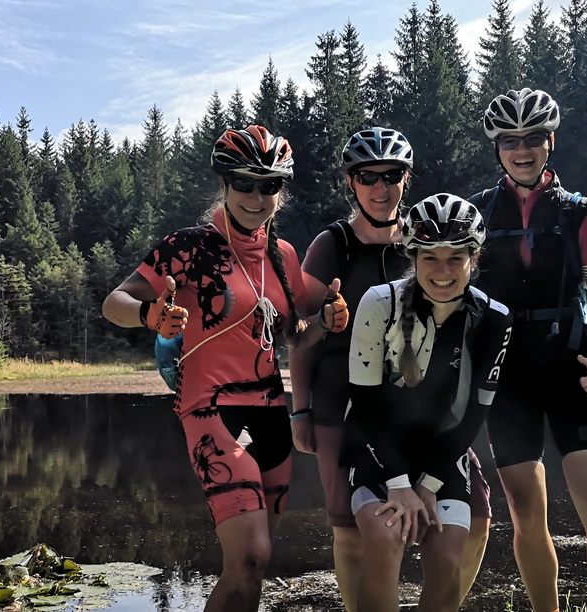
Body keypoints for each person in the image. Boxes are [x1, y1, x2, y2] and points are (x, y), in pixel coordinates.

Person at [101, 125, 348, 612]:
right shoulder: (188, 247)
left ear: (281, 191)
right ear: (224, 185)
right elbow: (115, 301)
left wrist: (328, 321)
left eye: (270, 185)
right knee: (250, 553)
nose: (257, 196)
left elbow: (296, 335)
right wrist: (149, 316)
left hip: (271, 409)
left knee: (256, 562)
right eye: (245, 183)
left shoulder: (282, 256)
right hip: (209, 407)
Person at [289, 128, 495, 611]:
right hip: (343, 399)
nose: (381, 188)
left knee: (478, 511)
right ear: (351, 183)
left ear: (406, 179)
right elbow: (300, 334)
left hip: (423, 404)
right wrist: (299, 409)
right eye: (368, 177)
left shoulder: (426, 237)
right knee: (349, 527)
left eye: (392, 176)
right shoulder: (332, 244)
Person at [469, 89, 587, 612]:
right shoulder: (475, 215)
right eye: (511, 141)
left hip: (573, 373)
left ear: (551, 141)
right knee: (526, 515)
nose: (523, 150)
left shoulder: (579, 214)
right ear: (497, 147)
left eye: (534, 139)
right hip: (507, 379)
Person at [342, 194, 514, 612]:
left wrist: (428, 484)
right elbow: (364, 404)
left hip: (442, 453)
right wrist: (400, 485)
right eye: (430, 257)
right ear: (412, 257)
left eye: (456, 258)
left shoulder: (493, 318)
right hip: (377, 445)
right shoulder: (378, 302)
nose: (442, 271)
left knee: (448, 558)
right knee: (384, 542)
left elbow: (476, 412)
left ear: (475, 258)